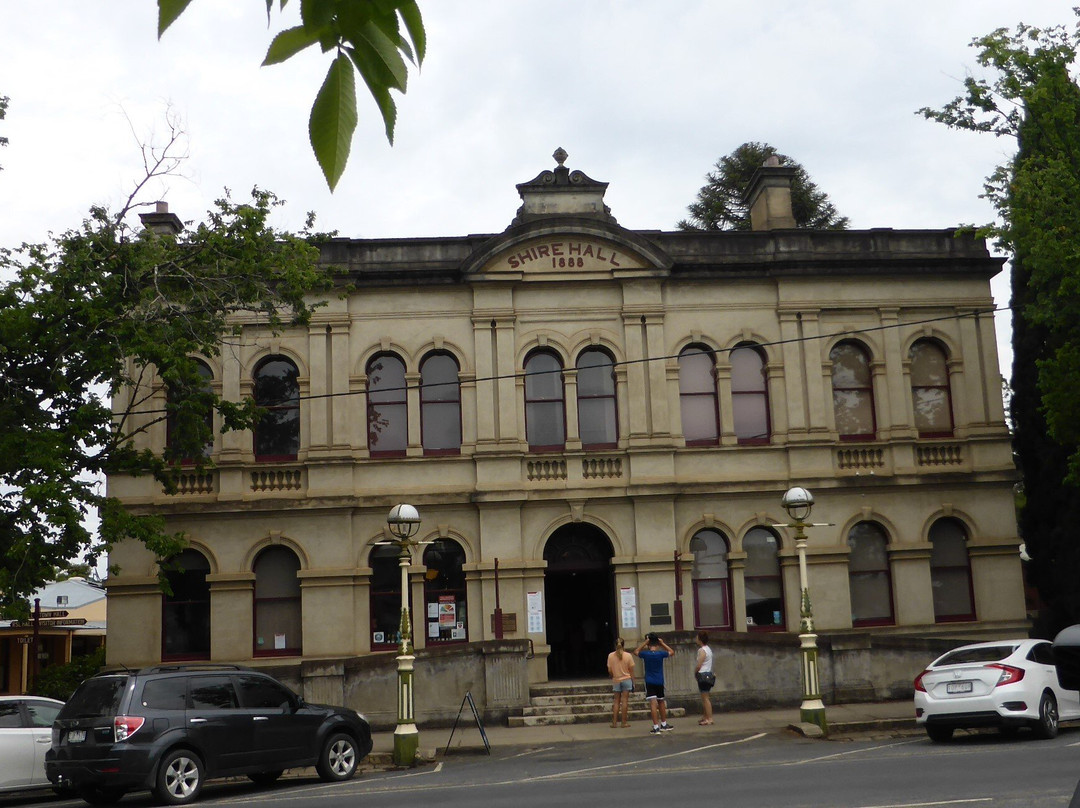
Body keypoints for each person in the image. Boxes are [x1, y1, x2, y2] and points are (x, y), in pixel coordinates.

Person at [634, 632, 674, 734]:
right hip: (659, 680)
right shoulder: (660, 654)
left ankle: (656, 726)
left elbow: (636, 651)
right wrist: (662, 643)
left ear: (648, 645)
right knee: (661, 702)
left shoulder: (646, 654)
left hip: (649, 680)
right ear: (657, 644)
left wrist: (645, 642)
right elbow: (671, 652)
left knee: (653, 703)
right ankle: (664, 724)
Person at [606, 637, 636, 727]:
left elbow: (609, 670)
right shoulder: (628, 655)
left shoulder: (610, 656)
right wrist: (633, 682)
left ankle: (614, 722)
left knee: (616, 702)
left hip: (616, 680)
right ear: (624, 645)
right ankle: (624, 722)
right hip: (626, 679)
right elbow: (631, 670)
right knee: (625, 701)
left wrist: (613, 675)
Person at [694, 630, 715, 725]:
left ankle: (709, 718)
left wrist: (695, 672)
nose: (696, 639)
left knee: (705, 698)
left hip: (703, 674)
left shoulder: (701, 650)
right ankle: (705, 716)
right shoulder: (708, 649)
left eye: (697, 637)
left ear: (700, 639)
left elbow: (699, 664)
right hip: (708, 674)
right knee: (704, 697)